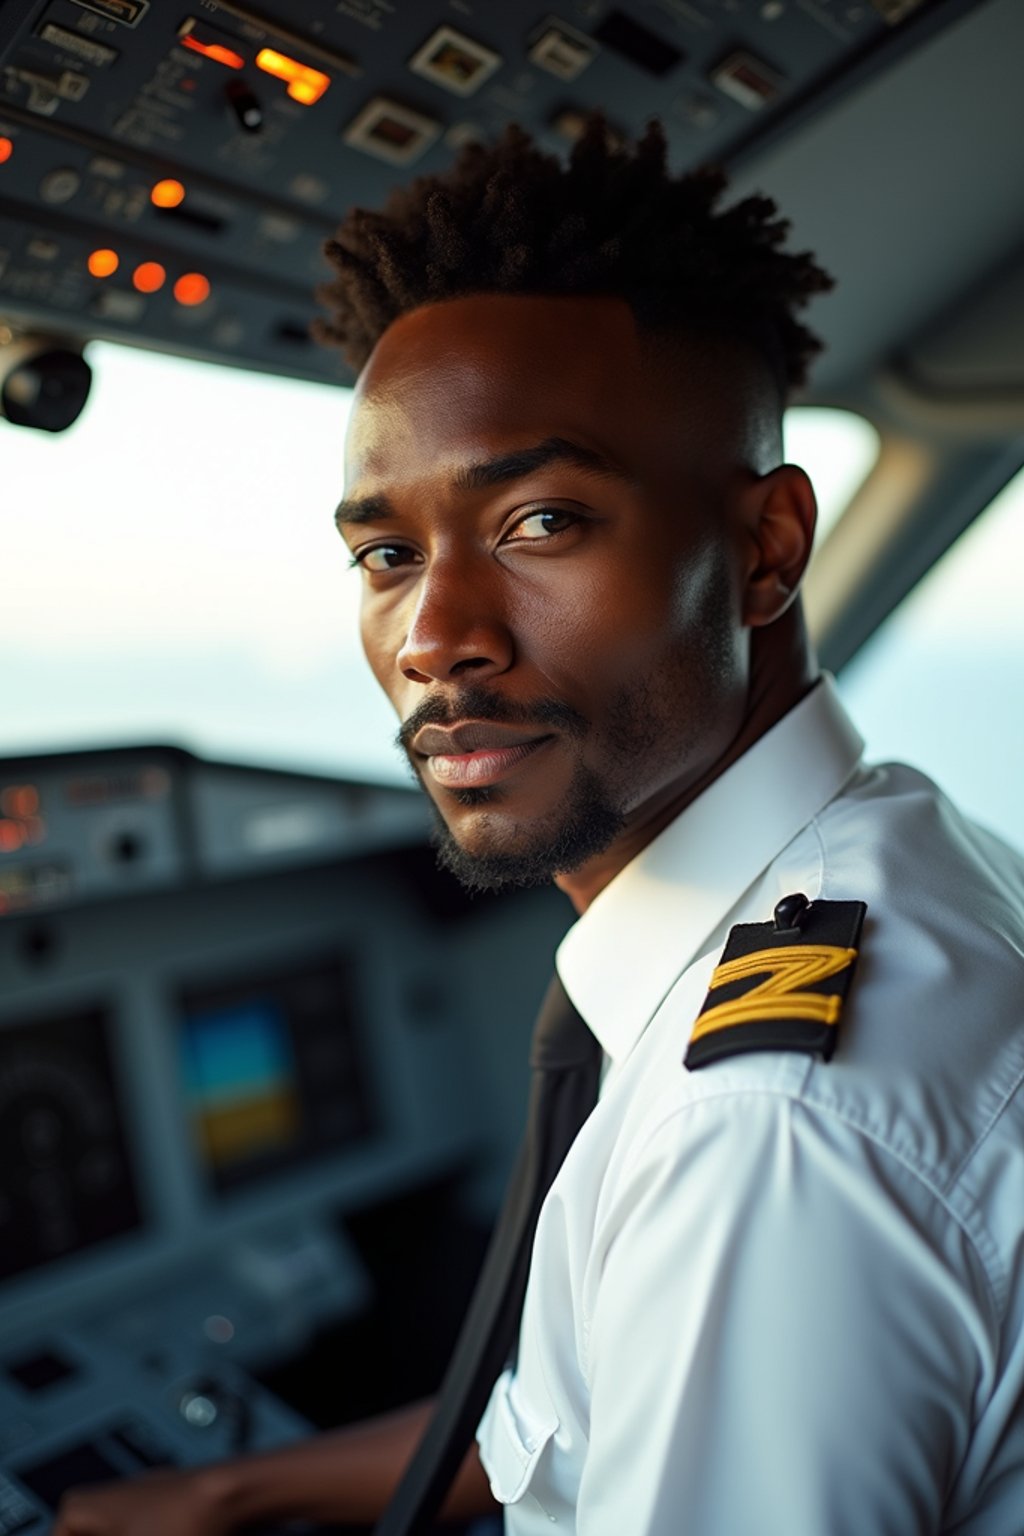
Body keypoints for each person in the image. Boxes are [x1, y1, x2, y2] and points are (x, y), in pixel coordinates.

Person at [55, 118, 1024, 1535]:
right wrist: (230, 1492)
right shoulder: (898, 849)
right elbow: (580, 1419)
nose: (436, 635)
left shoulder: (762, 1135)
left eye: (541, 522)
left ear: (764, 551)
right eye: (387, 555)